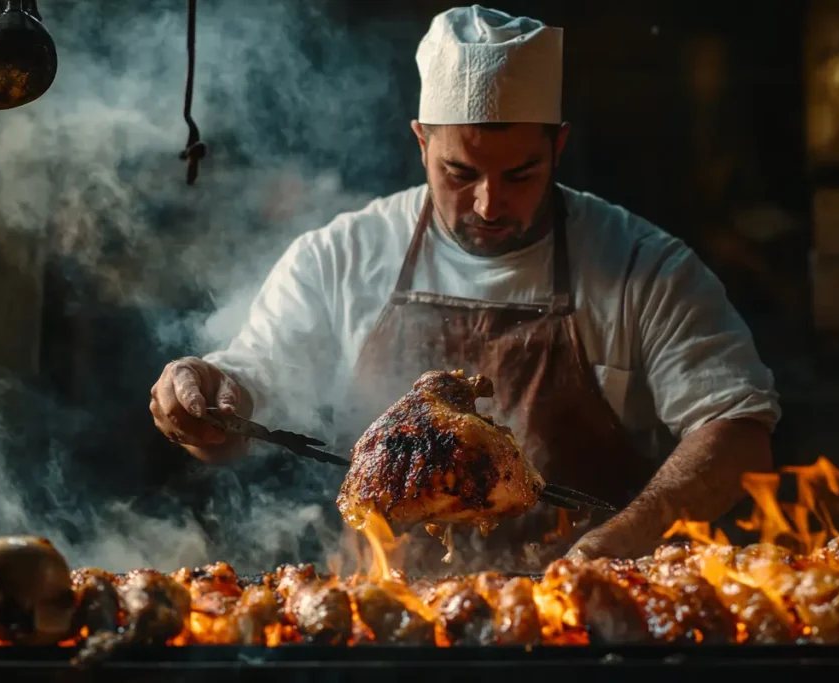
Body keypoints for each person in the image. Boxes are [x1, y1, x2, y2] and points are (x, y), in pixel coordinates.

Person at [149, 5, 780, 567]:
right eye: (459, 171)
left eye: (521, 174)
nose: (487, 202)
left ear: (558, 146)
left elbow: (737, 428)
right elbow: (251, 388)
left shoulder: (645, 267)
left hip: (582, 616)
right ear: (421, 141)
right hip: (384, 617)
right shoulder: (340, 257)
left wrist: (626, 537)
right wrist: (209, 399)